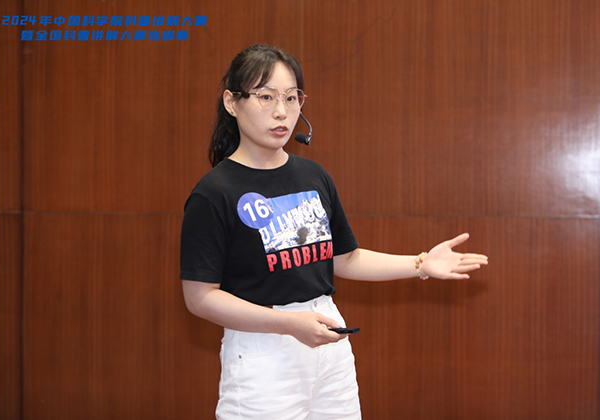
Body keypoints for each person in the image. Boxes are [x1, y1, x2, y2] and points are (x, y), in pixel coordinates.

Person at [180, 44, 488, 420]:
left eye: (292, 97)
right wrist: (288, 324)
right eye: (266, 96)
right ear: (232, 102)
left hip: (329, 341)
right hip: (264, 351)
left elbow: (344, 258)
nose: (282, 111)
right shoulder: (214, 192)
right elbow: (200, 297)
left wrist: (421, 263)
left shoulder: (314, 176)